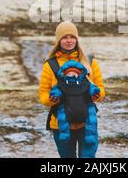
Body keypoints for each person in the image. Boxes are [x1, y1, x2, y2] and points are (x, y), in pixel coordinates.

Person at [38, 21, 105, 158]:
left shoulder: (89, 61)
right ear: (58, 40)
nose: (69, 41)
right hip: (60, 124)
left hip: (87, 123)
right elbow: (43, 94)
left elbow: (101, 88)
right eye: (64, 37)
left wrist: (97, 95)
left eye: (72, 37)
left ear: (77, 39)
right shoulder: (50, 65)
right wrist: (51, 99)